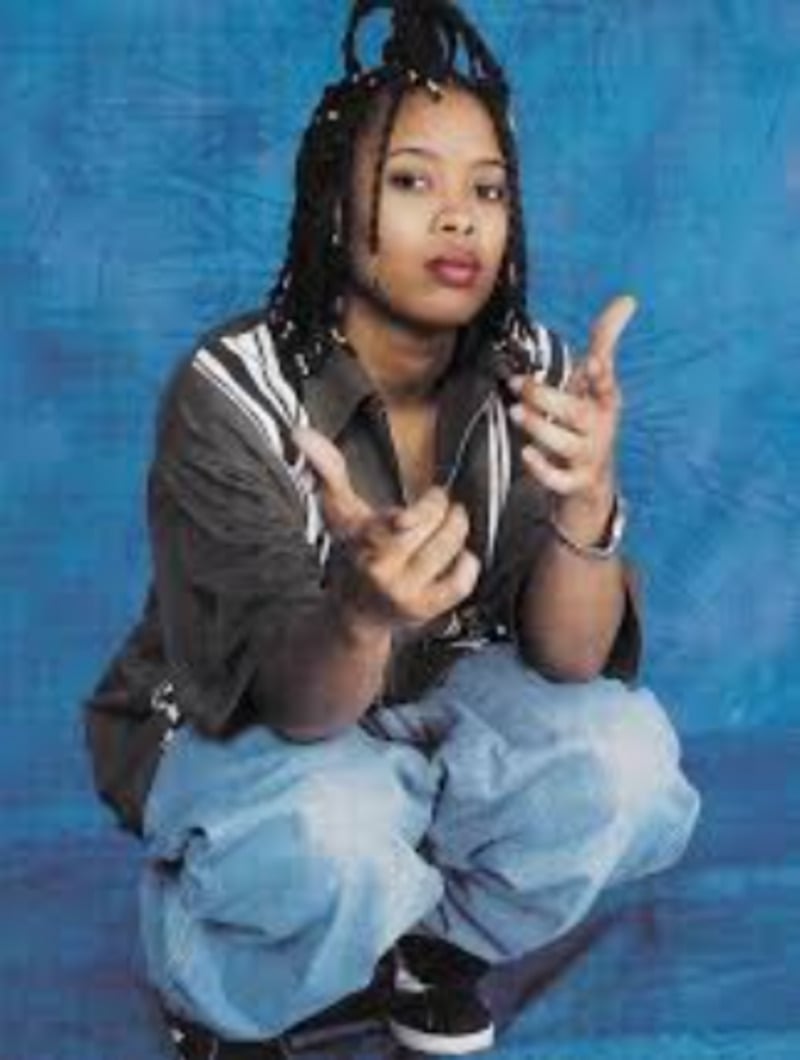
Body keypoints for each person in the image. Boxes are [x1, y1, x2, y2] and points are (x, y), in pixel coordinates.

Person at [85, 1, 700, 1056]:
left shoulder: (535, 376)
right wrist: (361, 611)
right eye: (411, 181)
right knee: (338, 823)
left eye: (487, 189)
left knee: (623, 755)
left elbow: (568, 659)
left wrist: (587, 496)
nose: (458, 218)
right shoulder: (232, 391)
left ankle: (429, 948)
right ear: (333, 209)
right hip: (258, 722)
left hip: (432, 705)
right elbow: (296, 702)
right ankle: (216, 982)